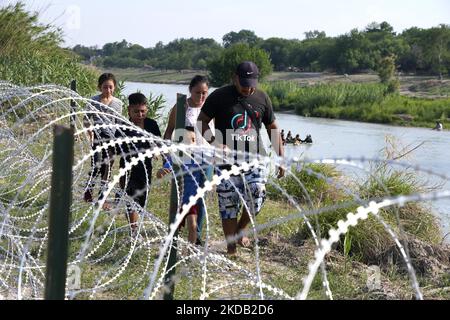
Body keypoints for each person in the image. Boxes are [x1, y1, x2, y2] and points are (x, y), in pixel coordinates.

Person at [197, 61, 285, 255]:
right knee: (228, 203)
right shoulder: (219, 96)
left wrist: (281, 158)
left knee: (258, 192)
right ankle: (231, 247)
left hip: (255, 158)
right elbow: (201, 121)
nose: (248, 88)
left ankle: (241, 229)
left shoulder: (262, 97)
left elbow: (273, 129)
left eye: (252, 83)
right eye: (244, 83)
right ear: (234, 78)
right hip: (226, 161)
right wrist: (215, 142)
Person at [161, 75, 213, 245]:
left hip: (207, 156)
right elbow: (169, 131)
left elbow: (217, 134)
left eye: (204, 92)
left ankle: (196, 234)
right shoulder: (181, 106)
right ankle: (179, 228)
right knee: (185, 194)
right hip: (185, 157)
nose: (201, 96)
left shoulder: (211, 108)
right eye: (197, 92)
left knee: (201, 196)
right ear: (190, 90)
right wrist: (167, 156)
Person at [116, 93, 161, 237]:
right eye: (136, 111)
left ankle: (134, 225)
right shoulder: (123, 126)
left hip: (145, 169)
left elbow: (158, 142)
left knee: (141, 200)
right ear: (129, 110)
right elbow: (116, 148)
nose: (140, 115)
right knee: (131, 198)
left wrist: (156, 151)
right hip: (128, 169)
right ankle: (134, 231)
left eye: (143, 111)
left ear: (147, 109)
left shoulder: (151, 124)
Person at [84, 73, 123, 209]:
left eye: (111, 87)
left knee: (108, 165)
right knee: (96, 164)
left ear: (114, 88)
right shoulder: (93, 101)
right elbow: (86, 119)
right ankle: (89, 188)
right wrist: (90, 132)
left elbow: (118, 123)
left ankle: (102, 195)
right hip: (97, 136)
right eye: (105, 87)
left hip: (111, 138)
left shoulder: (118, 103)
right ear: (99, 87)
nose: (108, 90)